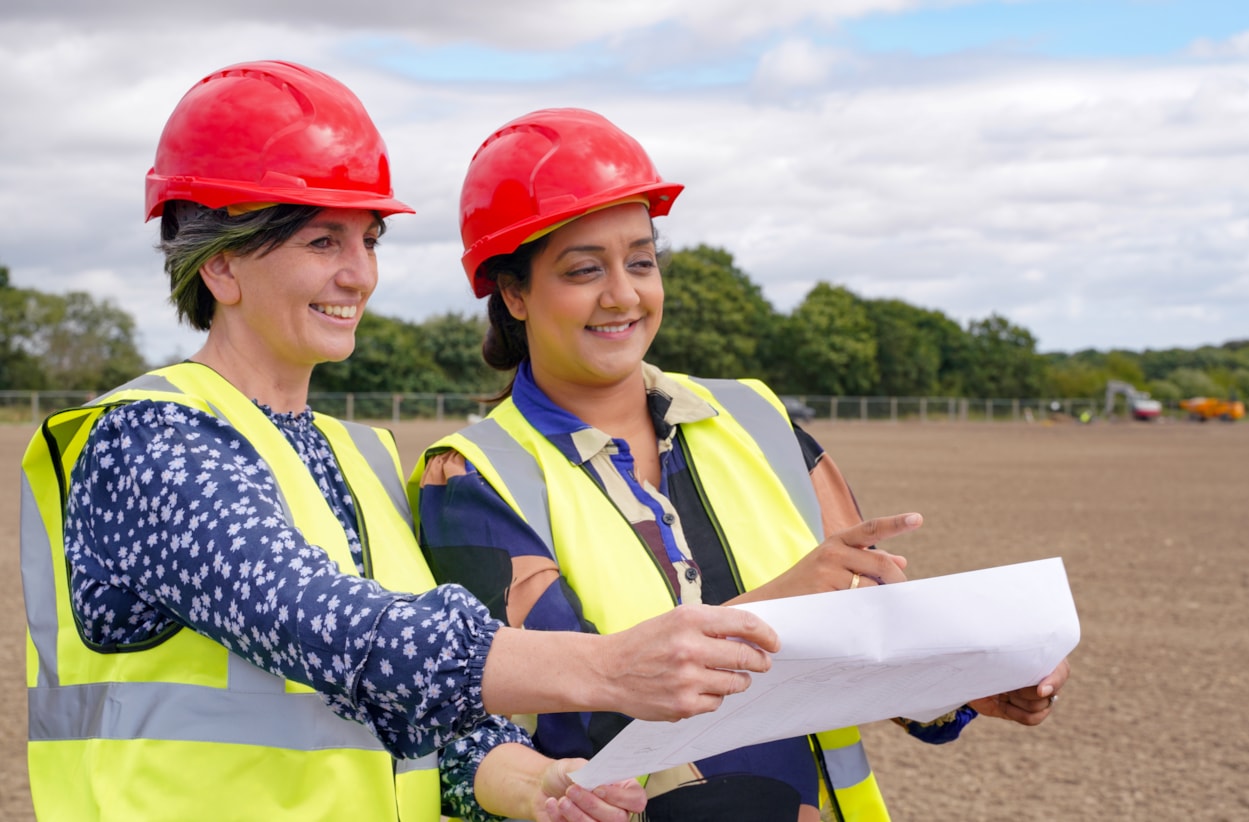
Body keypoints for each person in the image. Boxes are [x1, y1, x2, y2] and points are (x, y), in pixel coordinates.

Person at [18, 64, 782, 822]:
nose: (359, 275)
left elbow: (411, 721)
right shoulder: (149, 442)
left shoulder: (363, 458)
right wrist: (608, 668)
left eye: (369, 240)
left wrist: (537, 786)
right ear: (220, 263)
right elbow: (334, 628)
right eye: (324, 242)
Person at [412, 108, 1071, 821]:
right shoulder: (474, 480)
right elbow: (534, 714)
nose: (623, 294)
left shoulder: (757, 420)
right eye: (583, 270)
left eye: (641, 260)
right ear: (513, 293)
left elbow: (865, 635)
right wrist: (772, 606)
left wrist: (963, 680)